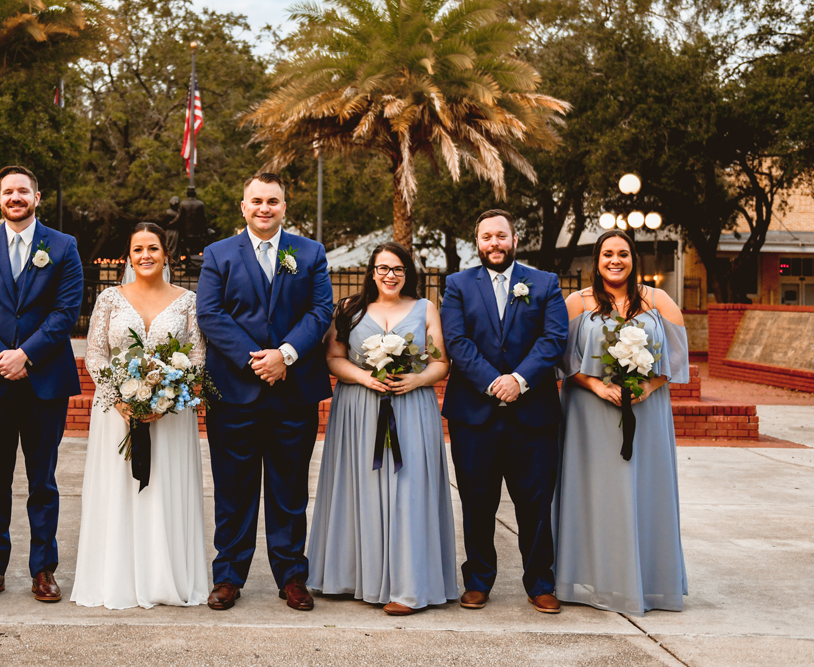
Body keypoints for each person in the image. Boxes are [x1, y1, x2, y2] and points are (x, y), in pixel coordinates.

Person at [196, 172, 334, 611]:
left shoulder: (310, 252)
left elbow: (320, 310)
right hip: (235, 392)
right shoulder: (219, 254)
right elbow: (210, 313)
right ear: (243, 206)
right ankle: (229, 576)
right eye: (256, 201)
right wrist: (257, 359)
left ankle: (292, 575)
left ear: (284, 206)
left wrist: (286, 355)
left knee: (289, 490)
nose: (264, 208)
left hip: (293, 393)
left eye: (272, 201)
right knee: (233, 491)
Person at [0, 165, 84, 603]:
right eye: (8, 191)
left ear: (37, 196)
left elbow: (66, 312)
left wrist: (26, 355)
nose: (15, 197)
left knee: (43, 480)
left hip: (45, 379)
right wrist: (1, 357)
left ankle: (43, 569)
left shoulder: (63, 246)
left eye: (23, 191)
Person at [307, 243, 458, 616]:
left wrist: (418, 379)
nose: (390, 275)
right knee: (360, 487)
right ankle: (352, 576)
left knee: (409, 490)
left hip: (411, 407)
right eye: (382, 268)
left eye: (398, 269)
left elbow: (442, 362)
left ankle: (409, 586)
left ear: (408, 273)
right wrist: (365, 378)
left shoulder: (426, 309)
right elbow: (333, 358)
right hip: (359, 409)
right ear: (371, 271)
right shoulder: (349, 309)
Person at [72, 222, 208, 608]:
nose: (145, 255)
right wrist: (118, 397)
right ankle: (115, 579)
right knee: (118, 492)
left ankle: (166, 578)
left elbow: (197, 356)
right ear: (128, 257)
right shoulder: (110, 299)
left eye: (153, 248)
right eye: (137, 249)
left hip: (171, 416)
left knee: (165, 490)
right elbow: (96, 353)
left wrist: (166, 398)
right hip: (116, 411)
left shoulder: (188, 300)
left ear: (166, 254)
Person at [440, 209, 569, 614]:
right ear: (476, 242)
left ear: (514, 239)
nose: (493, 243)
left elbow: (554, 338)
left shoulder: (544, 283)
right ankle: (478, 579)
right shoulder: (458, 285)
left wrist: (519, 380)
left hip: (533, 413)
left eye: (501, 236)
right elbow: (456, 341)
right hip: (474, 414)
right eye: (485, 237)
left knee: (535, 502)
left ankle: (540, 582)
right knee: (478, 502)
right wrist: (493, 382)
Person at [555, 230, 688, 615]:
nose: (616, 260)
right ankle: (589, 578)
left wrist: (649, 385)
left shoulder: (657, 299)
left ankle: (643, 583)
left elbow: (677, 359)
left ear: (634, 259)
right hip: (588, 413)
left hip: (646, 412)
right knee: (595, 493)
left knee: (643, 491)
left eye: (623, 254)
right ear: (596, 259)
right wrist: (594, 384)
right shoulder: (576, 302)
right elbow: (561, 359)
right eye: (608, 254)